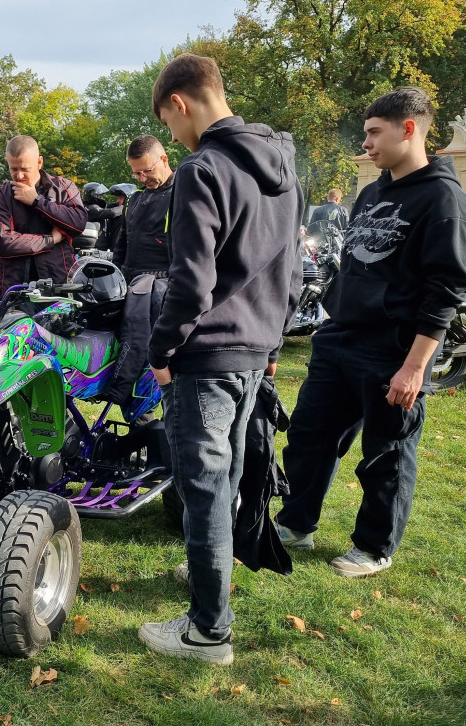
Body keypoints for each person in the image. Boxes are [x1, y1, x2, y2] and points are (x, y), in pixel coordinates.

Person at [138, 53, 303, 665]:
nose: (175, 137)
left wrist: (161, 349)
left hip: (206, 355)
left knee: (205, 487)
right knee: (227, 474)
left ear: (179, 104)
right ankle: (210, 578)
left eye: (169, 123)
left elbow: (190, 282)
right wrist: (275, 340)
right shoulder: (285, 165)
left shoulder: (201, 169)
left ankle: (207, 631)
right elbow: (293, 270)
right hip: (255, 348)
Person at [275, 87, 466, 580]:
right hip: (340, 337)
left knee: (385, 455)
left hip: (395, 350)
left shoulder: (444, 197)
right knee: (307, 437)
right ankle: (297, 523)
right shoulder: (372, 190)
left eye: (373, 133)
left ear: (409, 129)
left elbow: (446, 289)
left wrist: (414, 367)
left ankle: (374, 547)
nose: (365, 144)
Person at [0, 135, 87, 300]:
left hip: (57, 284)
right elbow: (2, 242)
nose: (19, 176)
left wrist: (37, 201)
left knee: (59, 326)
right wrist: (51, 240)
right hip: (14, 289)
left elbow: (78, 223)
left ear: (39, 162)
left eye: (25, 169)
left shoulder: (63, 188)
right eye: (13, 169)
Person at [114, 135, 174, 281]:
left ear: (164, 160)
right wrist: (114, 276)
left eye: (147, 171)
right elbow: (121, 245)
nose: (142, 178)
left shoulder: (183, 194)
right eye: (136, 173)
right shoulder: (134, 198)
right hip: (129, 282)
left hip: (163, 285)